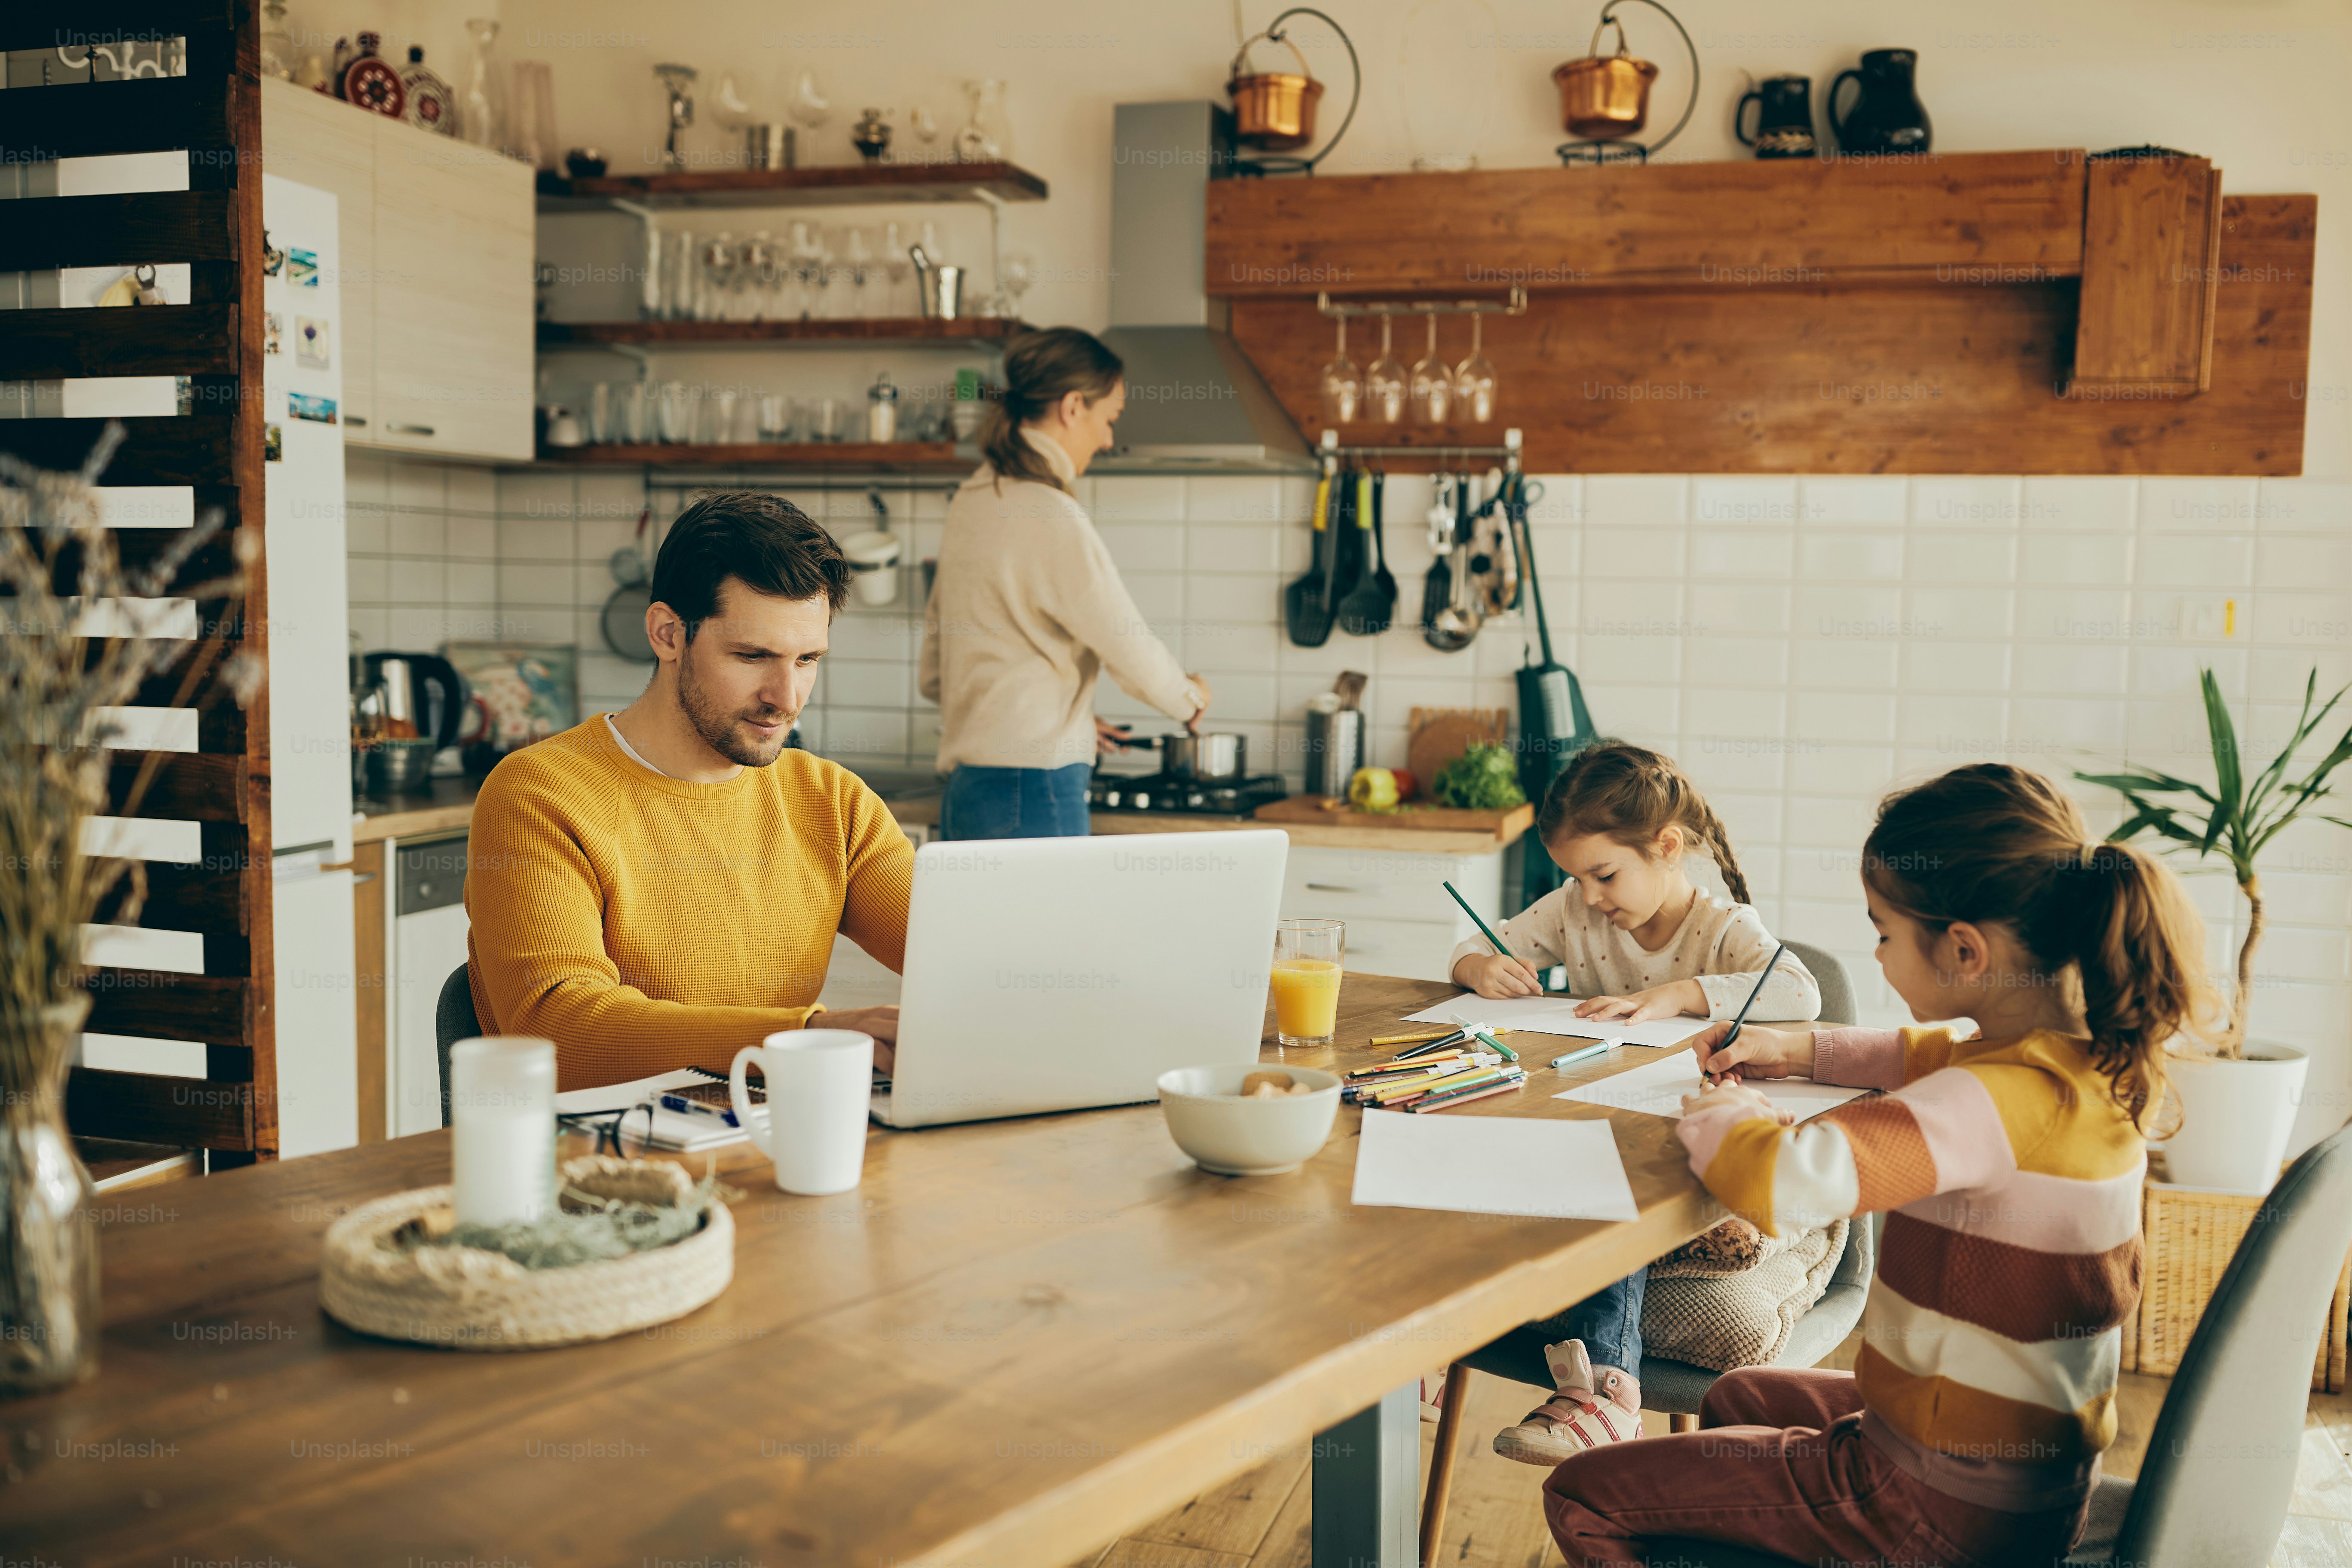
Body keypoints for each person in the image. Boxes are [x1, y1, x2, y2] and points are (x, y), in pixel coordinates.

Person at [1541, 763, 2213, 1567]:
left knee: (1583, 1491)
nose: (1877, 950)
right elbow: (1923, 1052)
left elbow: (1779, 1183)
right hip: (2020, 1475)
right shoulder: (2072, 1060)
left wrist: (1723, 1111)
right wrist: (1796, 1047)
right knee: (1736, 1393)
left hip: (1934, 1507)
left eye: (1885, 931)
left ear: (1963, 949)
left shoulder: (1987, 1101)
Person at [466, 491, 912, 1091]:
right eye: (753, 656)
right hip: (602, 1162)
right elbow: (559, 1033)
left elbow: (963, 957)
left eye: (808, 659)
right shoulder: (539, 796)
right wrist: (800, 1041)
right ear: (668, 634)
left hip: (770, 1143)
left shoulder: (833, 802)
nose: (788, 696)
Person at [1449, 742, 1820, 1460]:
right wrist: (1479, 964)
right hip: (1583, 1117)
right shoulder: (1572, 911)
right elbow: (1476, 943)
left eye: (1604, 873)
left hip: (1676, 1146)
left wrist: (1680, 994)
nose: (1589, 895)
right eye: (1576, 878)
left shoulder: (1722, 928)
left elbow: (1799, 991)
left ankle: (1607, 1391)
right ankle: (1423, 1351)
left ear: (1666, 847)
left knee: (1608, 1181)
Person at [919, 326, 1212, 840]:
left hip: (967, 795)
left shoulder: (972, 500)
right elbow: (1127, 645)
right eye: (1108, 419)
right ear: (1073, 407)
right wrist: (1191, 700)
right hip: (1037, 793)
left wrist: (1061, 718)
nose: (1107, 439)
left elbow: (934, 675)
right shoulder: (1051, 514)